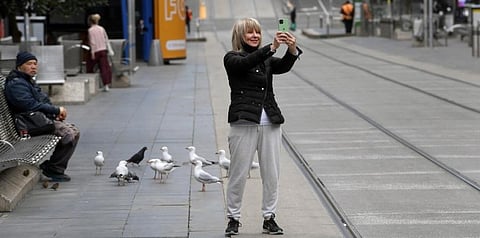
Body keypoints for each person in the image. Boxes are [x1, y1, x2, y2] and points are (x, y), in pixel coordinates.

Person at [223, 18, 302, 236]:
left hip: (270, 123)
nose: (255, 36)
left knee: (271, 174)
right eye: (250, 33)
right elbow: (245, 64)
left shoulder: (266, 59)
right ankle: (233, 218)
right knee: (238, 173)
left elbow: (284, 66)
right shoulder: (232, 58)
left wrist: (291, 48)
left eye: (257, 32)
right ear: (241, 36)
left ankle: (269, 218)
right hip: (243, 123)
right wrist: (272, 47)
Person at [4, 51, 80, 182]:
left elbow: (42, 101)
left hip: (34, 120)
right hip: (28, 124)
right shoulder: (17, 84)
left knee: (74, 131)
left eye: (35, 64)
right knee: (68, 133)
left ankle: (54, 167)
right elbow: (29, 105)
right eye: (29, 64)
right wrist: (56, 110)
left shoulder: (27, 81)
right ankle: (54, 169)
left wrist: (53, 114)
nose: (33, 67)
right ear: (19, 66)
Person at [87, 13, 112, 92]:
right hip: (103, 50)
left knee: (90, 67)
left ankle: (91, 84)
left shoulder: (90, 30)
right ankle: (106, 85)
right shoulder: (101, 28)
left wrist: (92, 53)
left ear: (90, 21)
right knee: (104, 68)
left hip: (96, 51)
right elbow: (106, 39)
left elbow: (92, 42)